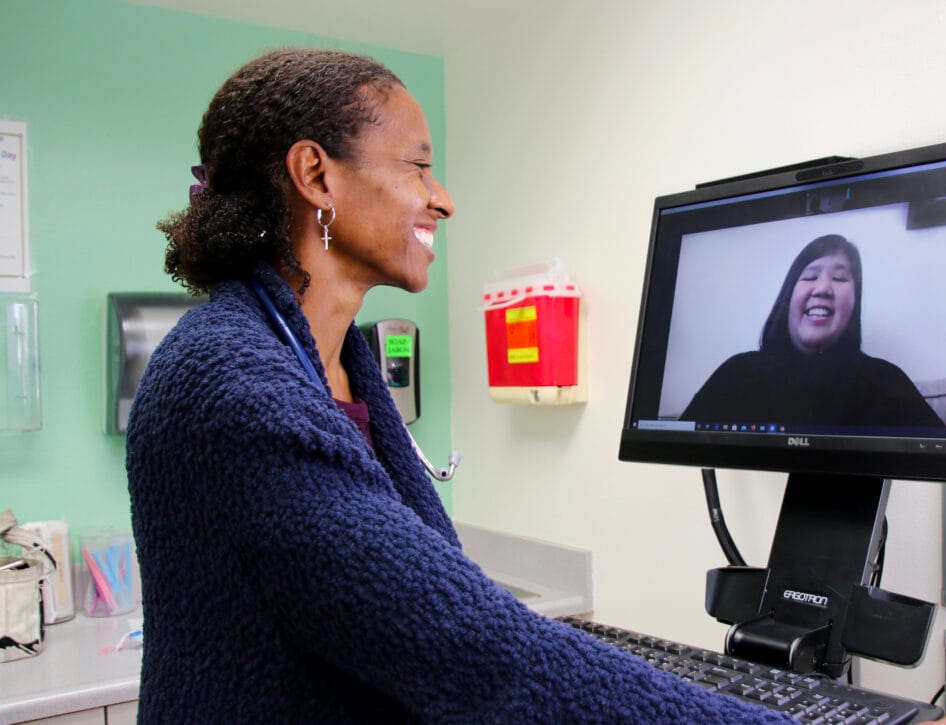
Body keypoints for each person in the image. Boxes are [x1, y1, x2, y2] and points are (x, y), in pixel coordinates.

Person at [126, 48, 791, 723]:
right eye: (417, 166)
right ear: (316, 175)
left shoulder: (334, 362)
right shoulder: (232, 383)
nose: (441, 198)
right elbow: (478, 652)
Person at [681, 234, 944, 428]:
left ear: (855, 302)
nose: (823, 288)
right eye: (810, 276)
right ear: (788, 296)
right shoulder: (736, 372)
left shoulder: (884, 379)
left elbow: (942, 457)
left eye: (840, 278)